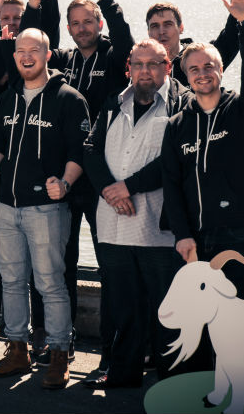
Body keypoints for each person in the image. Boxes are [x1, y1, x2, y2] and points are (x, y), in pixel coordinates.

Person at [17, 0, 134, 361]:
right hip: (62, 179)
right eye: (76, 23)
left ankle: (111, 350)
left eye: (89, 21)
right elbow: (31, 42)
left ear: (98, 23)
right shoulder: (61, 60)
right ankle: (52, 340)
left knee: (109, 267)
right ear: (68, 28)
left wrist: (108, 2)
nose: (82, 28)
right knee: (53, 265)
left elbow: (126, 43)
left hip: (101, 179)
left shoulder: (114, 58)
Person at [0, 27, 91, 390]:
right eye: (21, 50)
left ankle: (59, 353)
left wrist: (64, 183)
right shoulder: (9, 98)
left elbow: (80, 151)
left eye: (34, 50)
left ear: (47, 55)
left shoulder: (69, 99)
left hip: (47, 209)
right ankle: (17, 349)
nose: (26, 56)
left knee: (50, 283)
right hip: (7, 206)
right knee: (11, 281)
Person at [82, 38, 191, 389]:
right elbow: (90, 149)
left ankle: (171, 384)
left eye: (154, 64)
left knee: (167, 309)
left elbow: (175, 158)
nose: (145, 71)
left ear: (168, 67)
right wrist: (110, 191)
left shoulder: (182, 104)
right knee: (124, 306)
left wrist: (128, 187)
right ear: (129, 68)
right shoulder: (114, 102)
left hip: (157, 227)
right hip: (113, 222)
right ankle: (123, 374)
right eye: (138, 64)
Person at [161, 0, 244, 302]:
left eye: (209, 67)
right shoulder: (177, 124)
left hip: (237, 235)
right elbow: (171, 184)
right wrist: (182, 234)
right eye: (194, 69)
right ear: (186, 76)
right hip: (192, 237)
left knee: (235, 318)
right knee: (195, 318)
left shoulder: (242, 111)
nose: (202, 74)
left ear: (220, 70)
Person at [145, 0, 244, 85]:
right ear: (148, 32)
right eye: (155, 26)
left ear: (181, 28)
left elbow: (231, 36)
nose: (161, 31)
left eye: (168, 24)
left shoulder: (202, 58)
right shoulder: (140, 65)